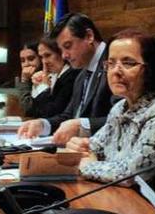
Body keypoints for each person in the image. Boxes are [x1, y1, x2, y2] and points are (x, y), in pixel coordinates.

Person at [65, 29, 155, 214]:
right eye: (111, 63)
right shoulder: (120, 108)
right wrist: (83, 149)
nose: (116, 71)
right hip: (131, 204)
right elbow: (94, 147)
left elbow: (130, 174)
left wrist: (85, 165)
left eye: (128, 63)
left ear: (150, 69)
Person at [16, 13, 112, 143]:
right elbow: (69, 116)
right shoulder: (82, 73)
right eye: (61, 50)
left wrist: (82, 125)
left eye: (68, 46)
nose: (65, 56)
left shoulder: (114, 64)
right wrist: (43, 125)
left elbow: (124, 118)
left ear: (89, 36)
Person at [20, 37, 80, 119]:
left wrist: (43, 87)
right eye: (41, 57)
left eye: (48, 55)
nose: (44, 61)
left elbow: (49, 114)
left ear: (61, 53)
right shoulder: (55, 75)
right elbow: (33, 111)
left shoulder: (71, 76)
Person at [16, 42, 43, 116]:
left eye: (31, 59)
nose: (26, 64)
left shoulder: (46, 77)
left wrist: (24, 81)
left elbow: (28, 109)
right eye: (22, 61)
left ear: (40, 58)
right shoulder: (26, 77)